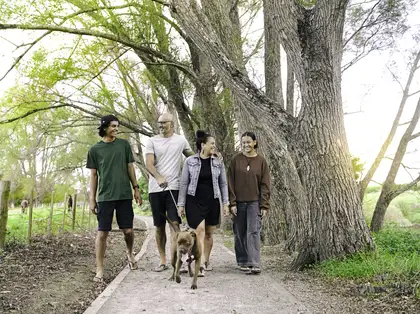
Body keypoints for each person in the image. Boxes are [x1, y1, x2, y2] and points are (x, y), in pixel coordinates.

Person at [86, 114, 142, 282]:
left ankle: (130, 253)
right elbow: (94, 175)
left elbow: (130, 167)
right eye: (113, 126)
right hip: (105, 197)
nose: (116, 129)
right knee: (102, 233)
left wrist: (136, 188)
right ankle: (100, 269)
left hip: (124, 194)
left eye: (117, 126)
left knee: (128, 231)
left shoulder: (124, 145)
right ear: (104, 127)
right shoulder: (95, 150)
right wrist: (92, 199)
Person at [145, 113, 194, 272]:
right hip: (155, 189)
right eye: (159, 123)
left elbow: (192, 157)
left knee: (175, 226)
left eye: (164, 123)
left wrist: (209, 156)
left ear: (172, 124)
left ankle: (178, 261)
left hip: (174, 188)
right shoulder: (152, 141)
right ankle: (162, 260)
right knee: (159, 227)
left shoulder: (180, 140)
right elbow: (149, 164)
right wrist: (158, 177)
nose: (160, 126)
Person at [177, 130, 229, 276]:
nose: (214, 146)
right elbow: (184, 183)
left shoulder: (218, 162)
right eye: (212, 143)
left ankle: (206, 261)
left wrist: (225, 203)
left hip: (212, 200)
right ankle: (198, 264)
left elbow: (223, 183)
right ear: (203, 145)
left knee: (209, 234)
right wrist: (181, 204)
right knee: (199, 231)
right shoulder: (190, 161)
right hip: (193, 200)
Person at [228, 131, 270, 275]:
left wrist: (264, 205)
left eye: (248, 142)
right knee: (240, 232)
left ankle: (254, 263)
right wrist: (232, 203)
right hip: (238, 203)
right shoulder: (236, 160)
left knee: (253, 232)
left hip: (254, 202)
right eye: (243, 142)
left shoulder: (261, 161)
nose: (246, 145)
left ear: (255, 142)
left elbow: (265, 185)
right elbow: (230, 183)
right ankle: (243, 261)